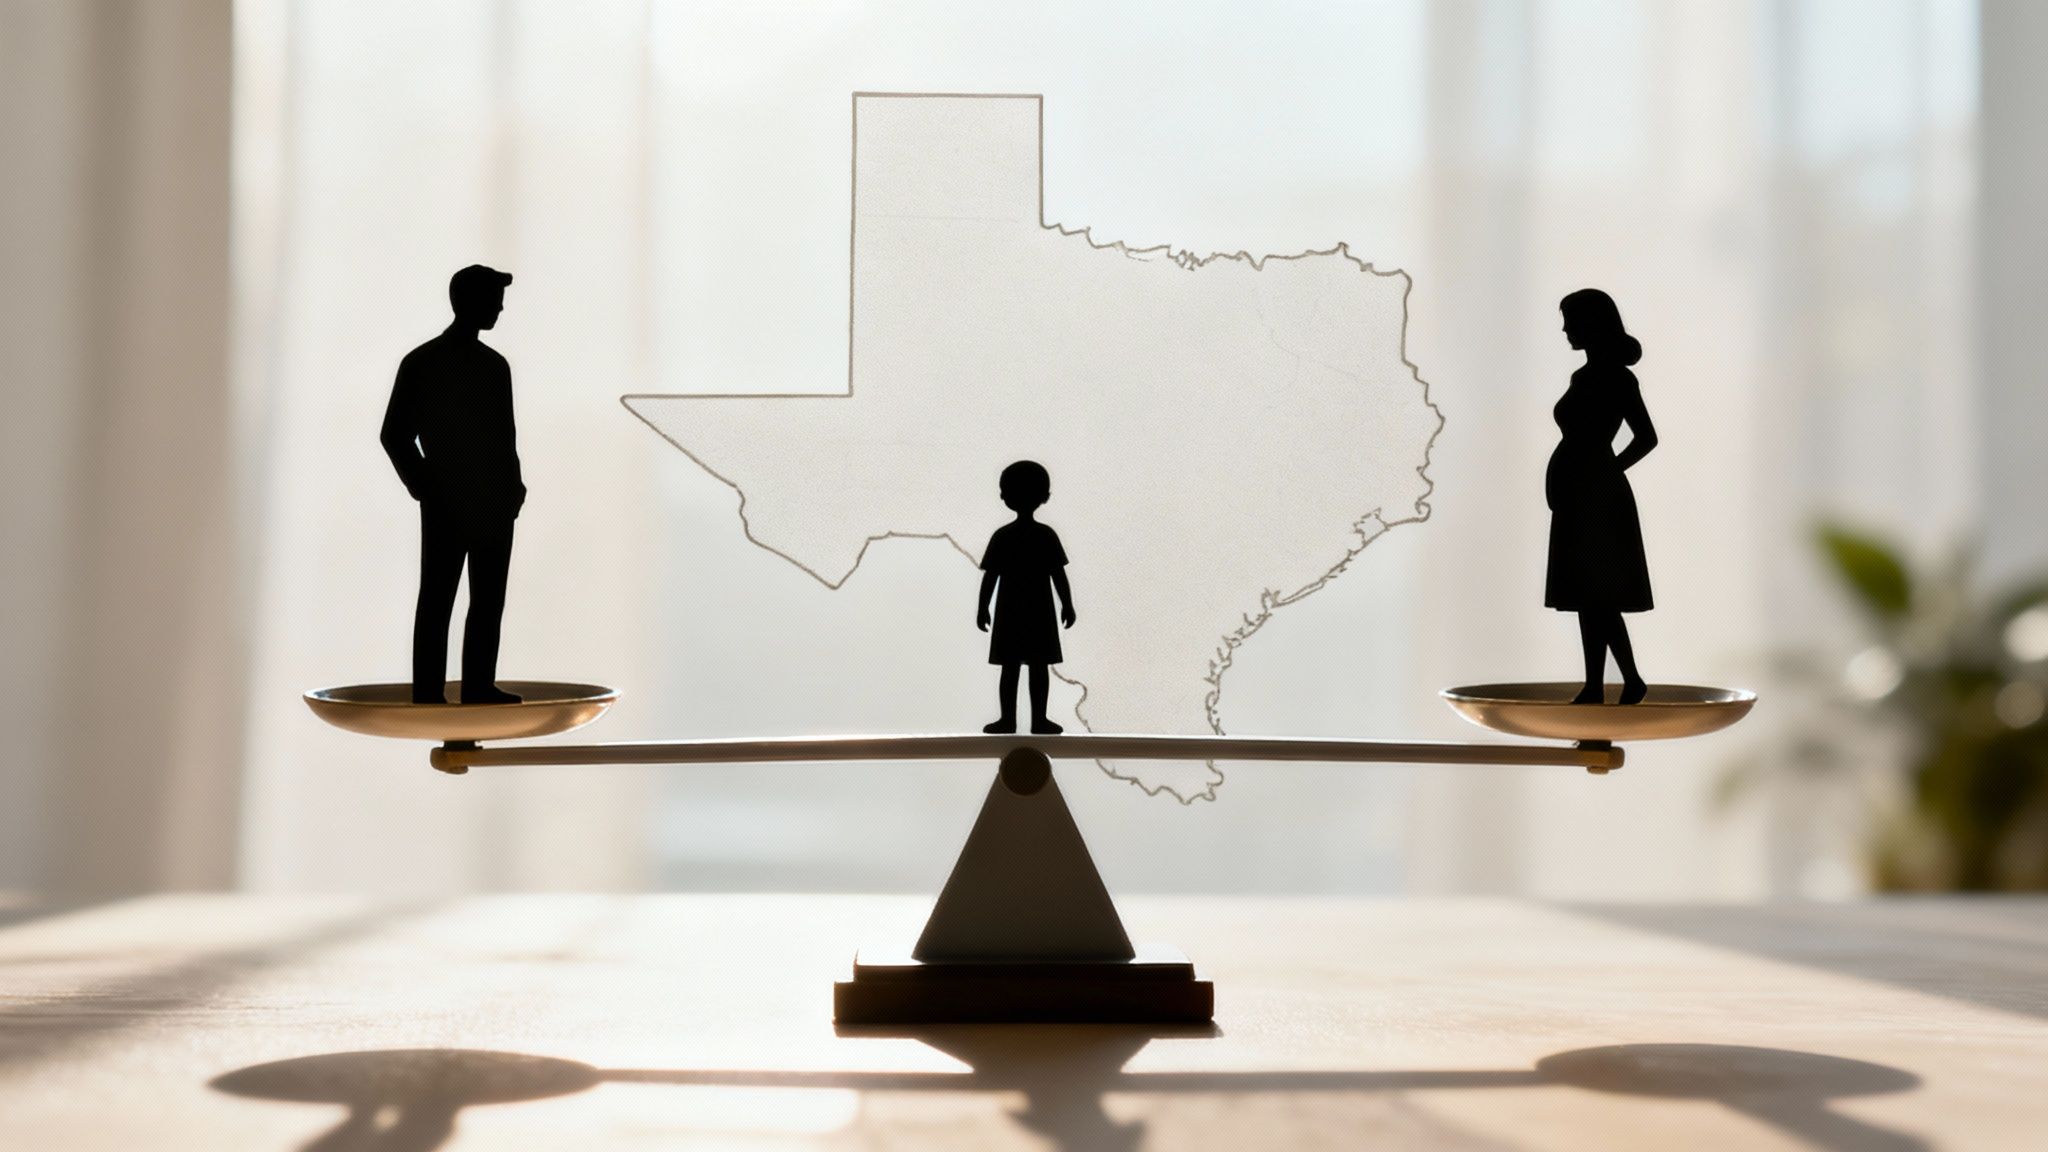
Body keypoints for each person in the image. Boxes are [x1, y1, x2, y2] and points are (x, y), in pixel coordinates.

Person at [381, 264, 527, 705]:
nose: (500, 307)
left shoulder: (494, 367)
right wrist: (425, 484)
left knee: (487, 602)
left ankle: (478, 684)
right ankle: (428, 690)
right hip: (449, 501)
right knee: (439, 598)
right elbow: (395, 434)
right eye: (492, 298)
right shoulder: (424, 363)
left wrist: (513, 486)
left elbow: (505, 437)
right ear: (468, 301)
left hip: (494, 503)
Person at [1547, 288, 1657, 704]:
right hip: (1578, 496)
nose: (1564, 329)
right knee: (1587, 599)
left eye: (1571, 321)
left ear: (1592, 324)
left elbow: (1646, 437)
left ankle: (1625, 680)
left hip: (1596, 499)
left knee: (1598, 596)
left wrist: (1608, 470)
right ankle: (1599, 684)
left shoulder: (1616, 378)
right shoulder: (1585, 377)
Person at [977, 460, 1077, 734]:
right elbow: (1057, 575)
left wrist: (983, 607)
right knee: (1033, 666)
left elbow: (991, 577)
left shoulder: (1006, 536)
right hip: (1034, 609)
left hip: (1017, 609)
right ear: (1043, 496)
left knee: (1019, 667)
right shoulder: (1043, 535)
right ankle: (1028, 719)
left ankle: (1017, 719)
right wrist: (1066, 604)